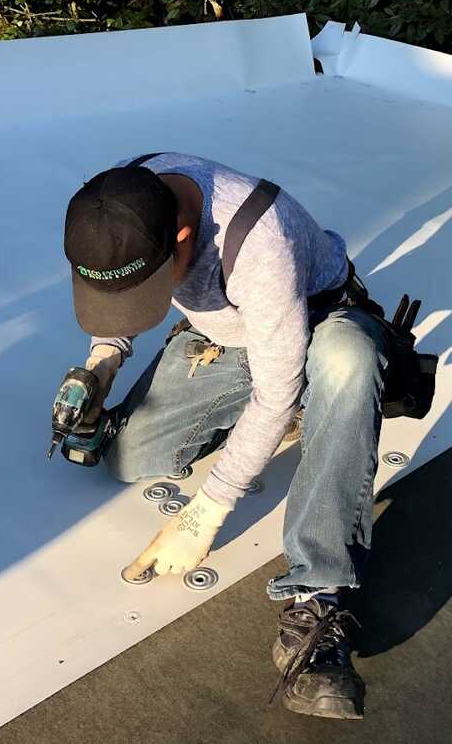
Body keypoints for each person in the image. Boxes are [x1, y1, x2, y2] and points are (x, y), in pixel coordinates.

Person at [63, 152, 391, 719]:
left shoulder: (258, 242)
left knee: (346, 362)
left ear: (183, 237)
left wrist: (206, 510)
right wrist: (103, 365)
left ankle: (319, 593)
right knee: (126, 457)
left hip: (311, 329)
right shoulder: (117, 204)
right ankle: (289, 416)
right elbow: (120, 300)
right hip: (232, 335)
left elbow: (274, 390)